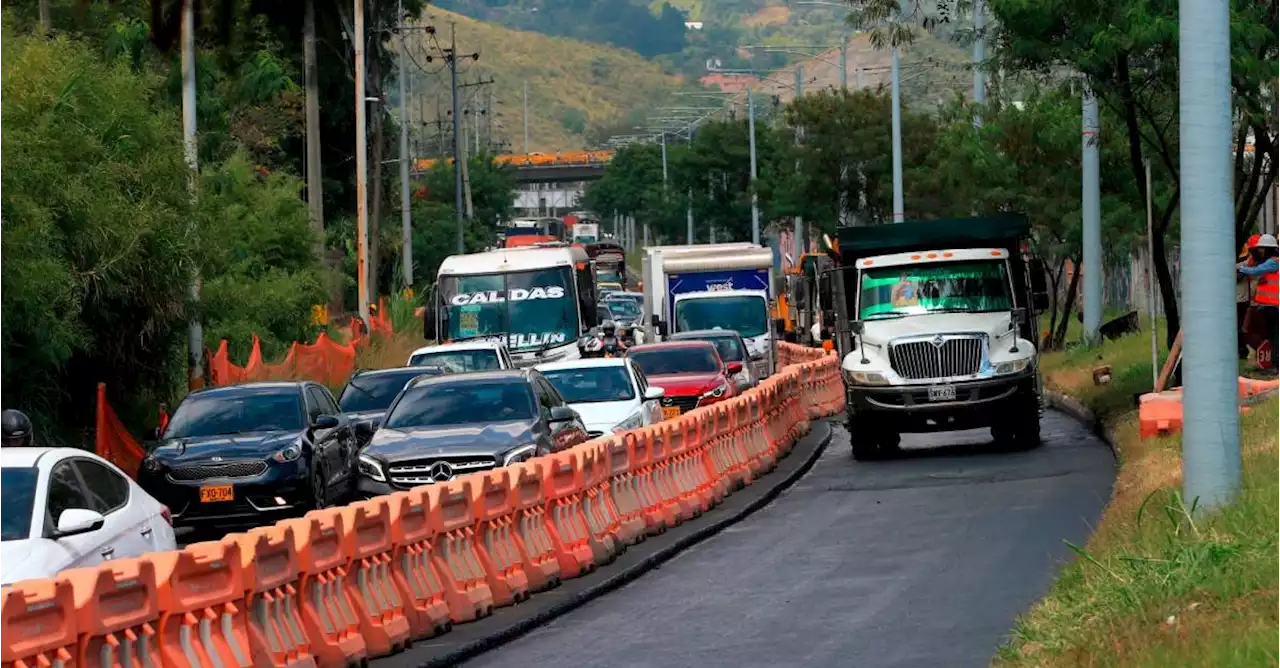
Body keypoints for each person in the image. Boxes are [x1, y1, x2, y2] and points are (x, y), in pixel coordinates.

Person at [1239, 234, 1280, 371]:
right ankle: (1272, 363)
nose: (1260, 251)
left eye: (1263, 249)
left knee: (1275, 336)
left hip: (1274, 306)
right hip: (1267, 306)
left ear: (1269, 249)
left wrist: (1241, 269)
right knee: (1270, 335)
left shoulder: (1274, 262)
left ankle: (1275, 365)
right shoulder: (1270, 261)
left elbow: (1257, 271)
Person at [1238, 234, 1261, 359]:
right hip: (1251, 302)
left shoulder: (1268, 262)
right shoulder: (1250, 261)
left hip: (1259, 302)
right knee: (1246, 329)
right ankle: (1256, 350)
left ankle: (1260, 351)